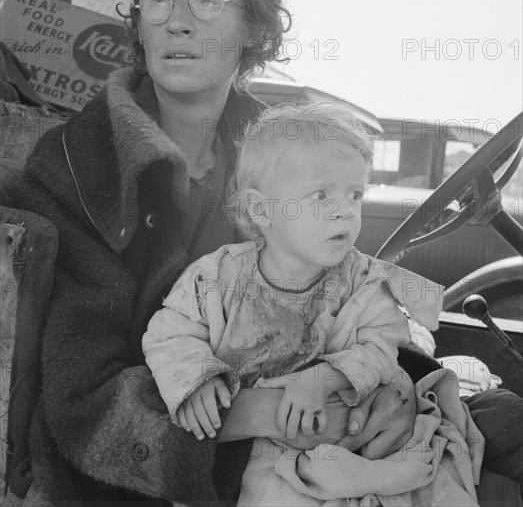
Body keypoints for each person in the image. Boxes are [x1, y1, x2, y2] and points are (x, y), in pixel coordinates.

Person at [4, 0, 521, 504]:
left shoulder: (285, 146)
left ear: (253, 26)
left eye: (206, 1)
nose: (177, 22)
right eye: (158, 2)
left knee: (505, 421)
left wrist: (381, 386)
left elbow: (344, 300)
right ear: (138, 22)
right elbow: (82, 401)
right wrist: (263, 411)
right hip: (202, 464)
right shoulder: (75, 166)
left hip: (330, 415)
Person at [142, 102, 481, 506]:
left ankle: (372, 475)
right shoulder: (217, 277)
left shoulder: (361, 281)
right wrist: (197, 377)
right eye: (321, 195)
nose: (344, 210)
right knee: (272, 490)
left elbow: (383, 346)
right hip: (260, 443)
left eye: (355, 195)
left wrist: (323, 378)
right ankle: (363, 479)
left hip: (344, 421)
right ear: (261, 209)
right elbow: (170, 331)